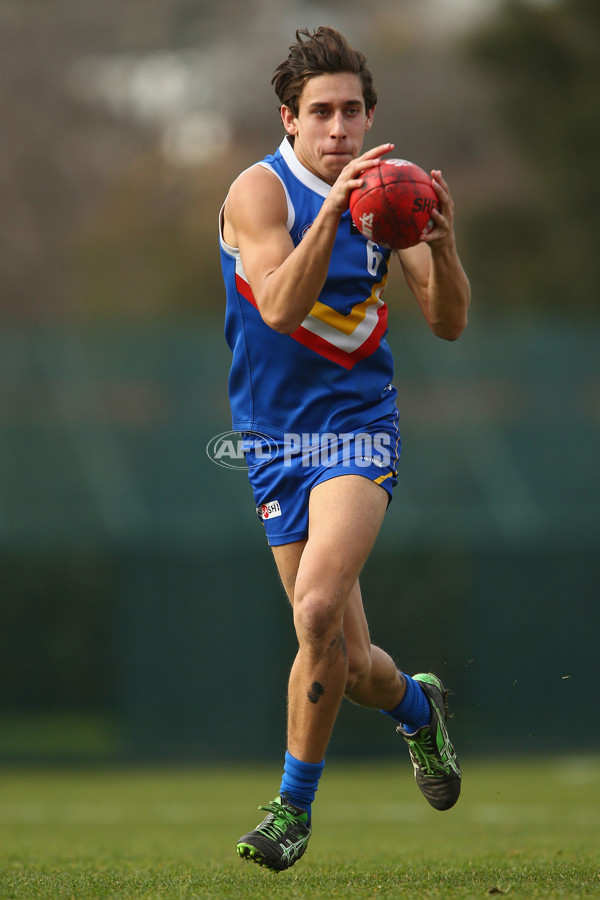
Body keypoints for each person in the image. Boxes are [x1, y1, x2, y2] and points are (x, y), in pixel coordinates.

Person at [219, 26, 470, 871]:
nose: (338, 129)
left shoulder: (389, 197)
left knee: (317, 611)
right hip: (272, 440)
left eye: (351, 112)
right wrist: (331, 212)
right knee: (353, 663)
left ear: (369, 119)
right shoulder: (259, 195)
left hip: (360, 430)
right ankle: (415, 709)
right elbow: (282, 308)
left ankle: (291, 811)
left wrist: (441, 246)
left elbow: (447, 321)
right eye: (320, 113)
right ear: (288, 120)